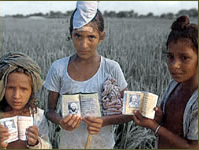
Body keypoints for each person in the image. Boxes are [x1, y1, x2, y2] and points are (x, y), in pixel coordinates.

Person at [44, 1, 132, 149]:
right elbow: (49, 111)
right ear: (70, 33)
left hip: (103, 145)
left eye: (91, 37)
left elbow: (129, 112)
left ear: (101, 36)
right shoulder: (58, 68)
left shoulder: (111, 68)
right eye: (78, 36)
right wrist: (61, 121)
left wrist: (103, 121)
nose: (83, 45)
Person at [132, 16, 198, 149]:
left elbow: (193, 147)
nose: (174, 65)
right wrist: (160, 119)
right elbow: (172, 127)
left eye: (184, 58)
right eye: (170, 57)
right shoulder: (174, 85)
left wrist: (154, 126)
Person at [0, 52, 52, 149]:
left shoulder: (38, 116)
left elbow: (48, 146)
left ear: (31, 91)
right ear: (2, 88)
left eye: (23, 89)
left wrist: (35, 143)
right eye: (10, 88)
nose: (16, 96)